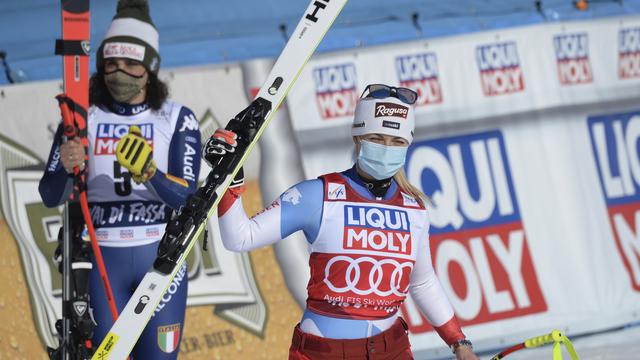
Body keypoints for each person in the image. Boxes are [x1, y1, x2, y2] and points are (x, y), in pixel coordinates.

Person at [206, 84, 479, 359]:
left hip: (391, 350)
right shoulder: (317, 194)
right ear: (358, 137)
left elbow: (422, 282)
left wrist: (459, 343)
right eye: (378, 138)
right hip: (324, 352)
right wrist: (230, 178)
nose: (387, 148)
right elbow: (240, 237)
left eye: (397, 142)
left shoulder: (415, 209)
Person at [38, 0, 201, 358]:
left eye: (130, 63)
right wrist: (67, 165)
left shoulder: (176, 118)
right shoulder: (83, 117)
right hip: (102, 257)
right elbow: (50, 194)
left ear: (151, 66)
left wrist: (151, 175)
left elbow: (190, 200)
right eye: (110, 63)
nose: (119, 72)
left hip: (159, 258)